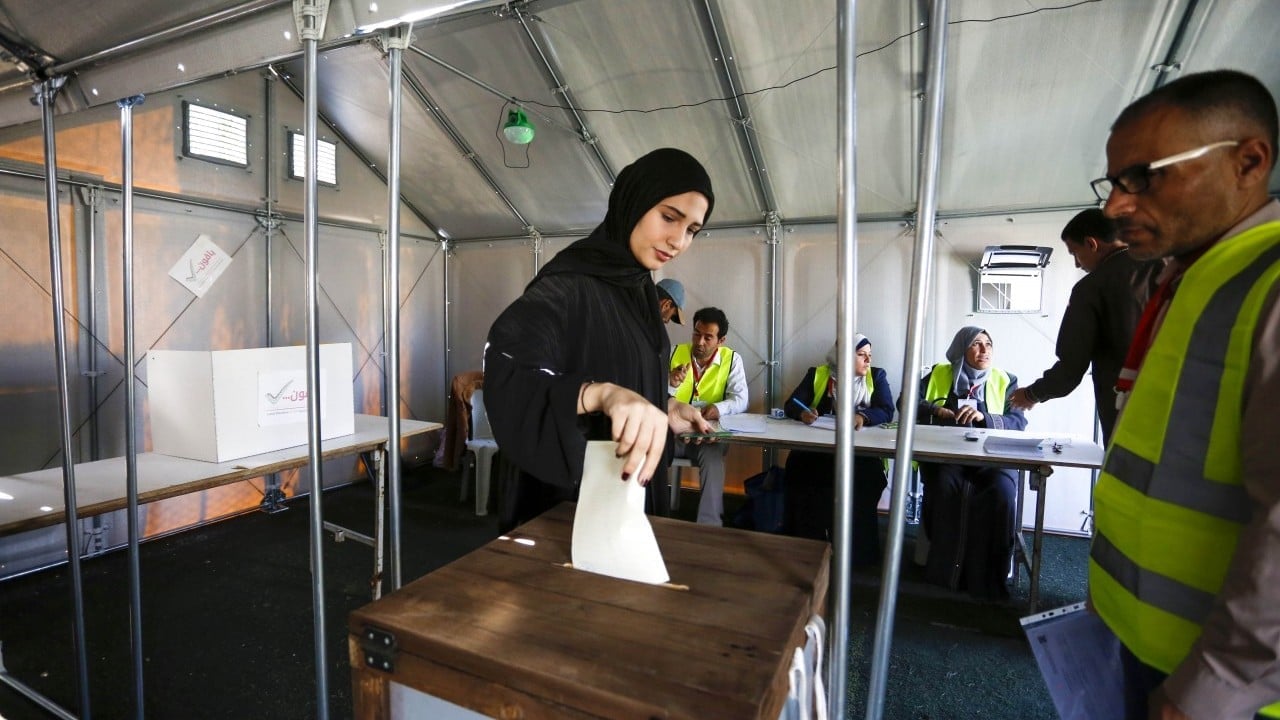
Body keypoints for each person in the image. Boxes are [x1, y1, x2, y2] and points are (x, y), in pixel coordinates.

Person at [1086, 70, 1280, 720]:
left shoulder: (1269, 282)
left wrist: (1215, 688)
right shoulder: (1190, 278)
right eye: (1113, 181)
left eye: (1144, 176)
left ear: (1249, 161)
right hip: (1152, 647)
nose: (1116, 205)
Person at [483, 148, 716, 531]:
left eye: (691, 229)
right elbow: (510, 373)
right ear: (634, 201)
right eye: (669, 217)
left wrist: (664, 406)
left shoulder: (638, 291)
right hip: (571, 515)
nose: (678, 240)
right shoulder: (569, 284)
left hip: (624, 505)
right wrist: (600, 394)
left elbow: (621, 367)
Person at [1008, 209, 1161, 442]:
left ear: (1092, 244)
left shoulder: (1091, 289)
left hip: (1126, 408)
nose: (1077, 264)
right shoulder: (1163, 268)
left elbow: (1071, 367)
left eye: (1075, 253)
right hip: (1178, 400)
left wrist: (1032, 394)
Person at [916, 326, 1027, 599]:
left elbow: (1018, 422)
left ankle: (990, 576)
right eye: (976, 344)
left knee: (1001, 493)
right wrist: (935, 409)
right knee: (944, 487)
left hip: (993, 460)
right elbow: (906, 402)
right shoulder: (938, 375)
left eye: (988, 344)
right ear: (961, 349)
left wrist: (984, 419)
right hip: (948, 457)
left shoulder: (1006, 380)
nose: (984, 350)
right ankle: (946, 572)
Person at [783, 335, 893, 564]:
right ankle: (806, 548)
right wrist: (803, 413)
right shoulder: (818, 374)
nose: (868, 361)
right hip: (820, 451)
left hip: (861, 453)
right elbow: (792, 403)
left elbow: (886, 409)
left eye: (869, 355)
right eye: (861, 354)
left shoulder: (877, 376)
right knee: (799, 469)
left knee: (863, 481)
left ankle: (858, 556)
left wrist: (863, 415)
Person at [668, 307, 747, 525]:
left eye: (708, 337)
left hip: (707, 435)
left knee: (712, 459)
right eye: (696, 333)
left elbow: (741, 399)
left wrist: (719, 408)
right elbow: (655, 395)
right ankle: (649, 515)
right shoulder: (674, 353)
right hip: (675, 432)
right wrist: (670, 383)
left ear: (721, 340)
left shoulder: (732, 360)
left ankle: (709, 526)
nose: (700, 342)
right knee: (650, 446)